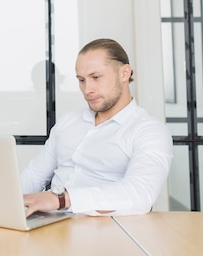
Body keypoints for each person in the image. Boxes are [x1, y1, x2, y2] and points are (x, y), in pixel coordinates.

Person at [21, 38, 173, 216]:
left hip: (103, 231)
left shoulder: (149, 131)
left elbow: (140, 194)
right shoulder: (68, 121)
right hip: (50, 225)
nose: (87, 89)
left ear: (124, 74)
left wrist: (62, 199)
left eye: (95, 77)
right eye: (81, 80)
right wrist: (7, 201)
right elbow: (35, 175)